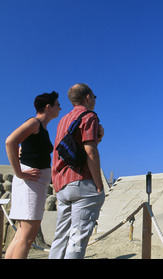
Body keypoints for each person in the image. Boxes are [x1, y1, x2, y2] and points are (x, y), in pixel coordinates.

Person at [49, 83, 105, 259]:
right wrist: (98, 184)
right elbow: (90, 151)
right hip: (82, 181)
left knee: (61, 237)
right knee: (77, 240)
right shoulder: (89, 116)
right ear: (87, 97)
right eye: (94, 97)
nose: (94, 100)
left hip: (63, 183)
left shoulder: (63, 120)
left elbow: (62, 151)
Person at [4, 91, 61, 259]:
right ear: (48, 107)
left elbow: (22, 149)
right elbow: (10, 141)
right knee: (27, 237)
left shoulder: (41, 127)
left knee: (21, 234)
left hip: (33, 183)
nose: (60, 108)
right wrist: (19, 173)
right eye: (58, 104)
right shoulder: (34, 123)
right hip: (31, 184)